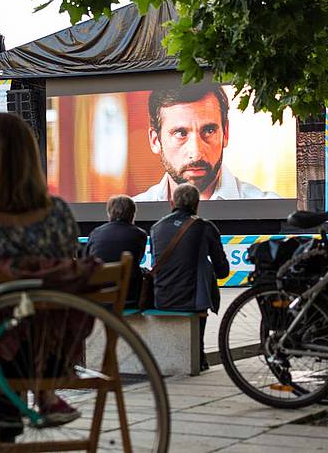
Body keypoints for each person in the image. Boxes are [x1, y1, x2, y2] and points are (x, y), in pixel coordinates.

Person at [0, 112, 82, 437]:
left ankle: (0, 436)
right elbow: (66, 273)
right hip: (52, 352)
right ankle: (44, 398)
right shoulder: (59, 215)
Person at [133, 83, 280, 201]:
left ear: (226, 133)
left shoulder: (272, 207)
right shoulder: (135, 210)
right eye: (180, 133)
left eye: (209, 131)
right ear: (155, 140)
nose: (196, 154)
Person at [149, 183, 230, 371]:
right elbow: (222, 271)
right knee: (203, 269)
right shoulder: (205, 227)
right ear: (197, 204)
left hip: (162, 297)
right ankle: (199, 355)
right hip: (194, 301)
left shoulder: (156, 228)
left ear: (172, 203)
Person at [85, 195, 147, 307]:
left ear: (109, 213)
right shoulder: (139, 234)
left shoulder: (95, 233)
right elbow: (137, 261)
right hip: (128, 297)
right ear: (132, 214)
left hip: (98, 297)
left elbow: (87, 260)